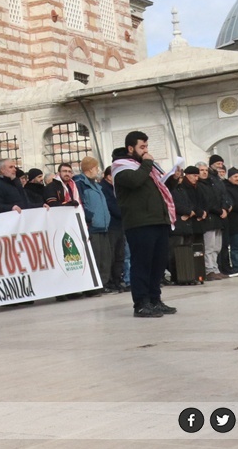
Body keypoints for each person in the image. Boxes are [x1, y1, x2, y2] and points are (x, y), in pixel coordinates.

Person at [112, 132, 177, 318]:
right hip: (139, 222)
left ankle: (155, 300)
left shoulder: (144, 167)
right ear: (130, 148)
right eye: (142, 147)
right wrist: (148, 163)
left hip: (157, 220)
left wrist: (172, 179)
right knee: (142, 263)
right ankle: (141, 303)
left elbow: (156, 190)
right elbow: (135, 182)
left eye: (147, 147)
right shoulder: (120, 166)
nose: (146, 151)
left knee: (157, 264)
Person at [75, 157, 114, 288]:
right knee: (96, 257)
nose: (98, 170)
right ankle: (96, 285)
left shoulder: (96, 184)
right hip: (93, 226)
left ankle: (104, 283)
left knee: (106, 258)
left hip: (103, 226)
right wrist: (89, 218)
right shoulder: (80, 183)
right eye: (96, 168)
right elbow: (80, 203)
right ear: (90, 168)